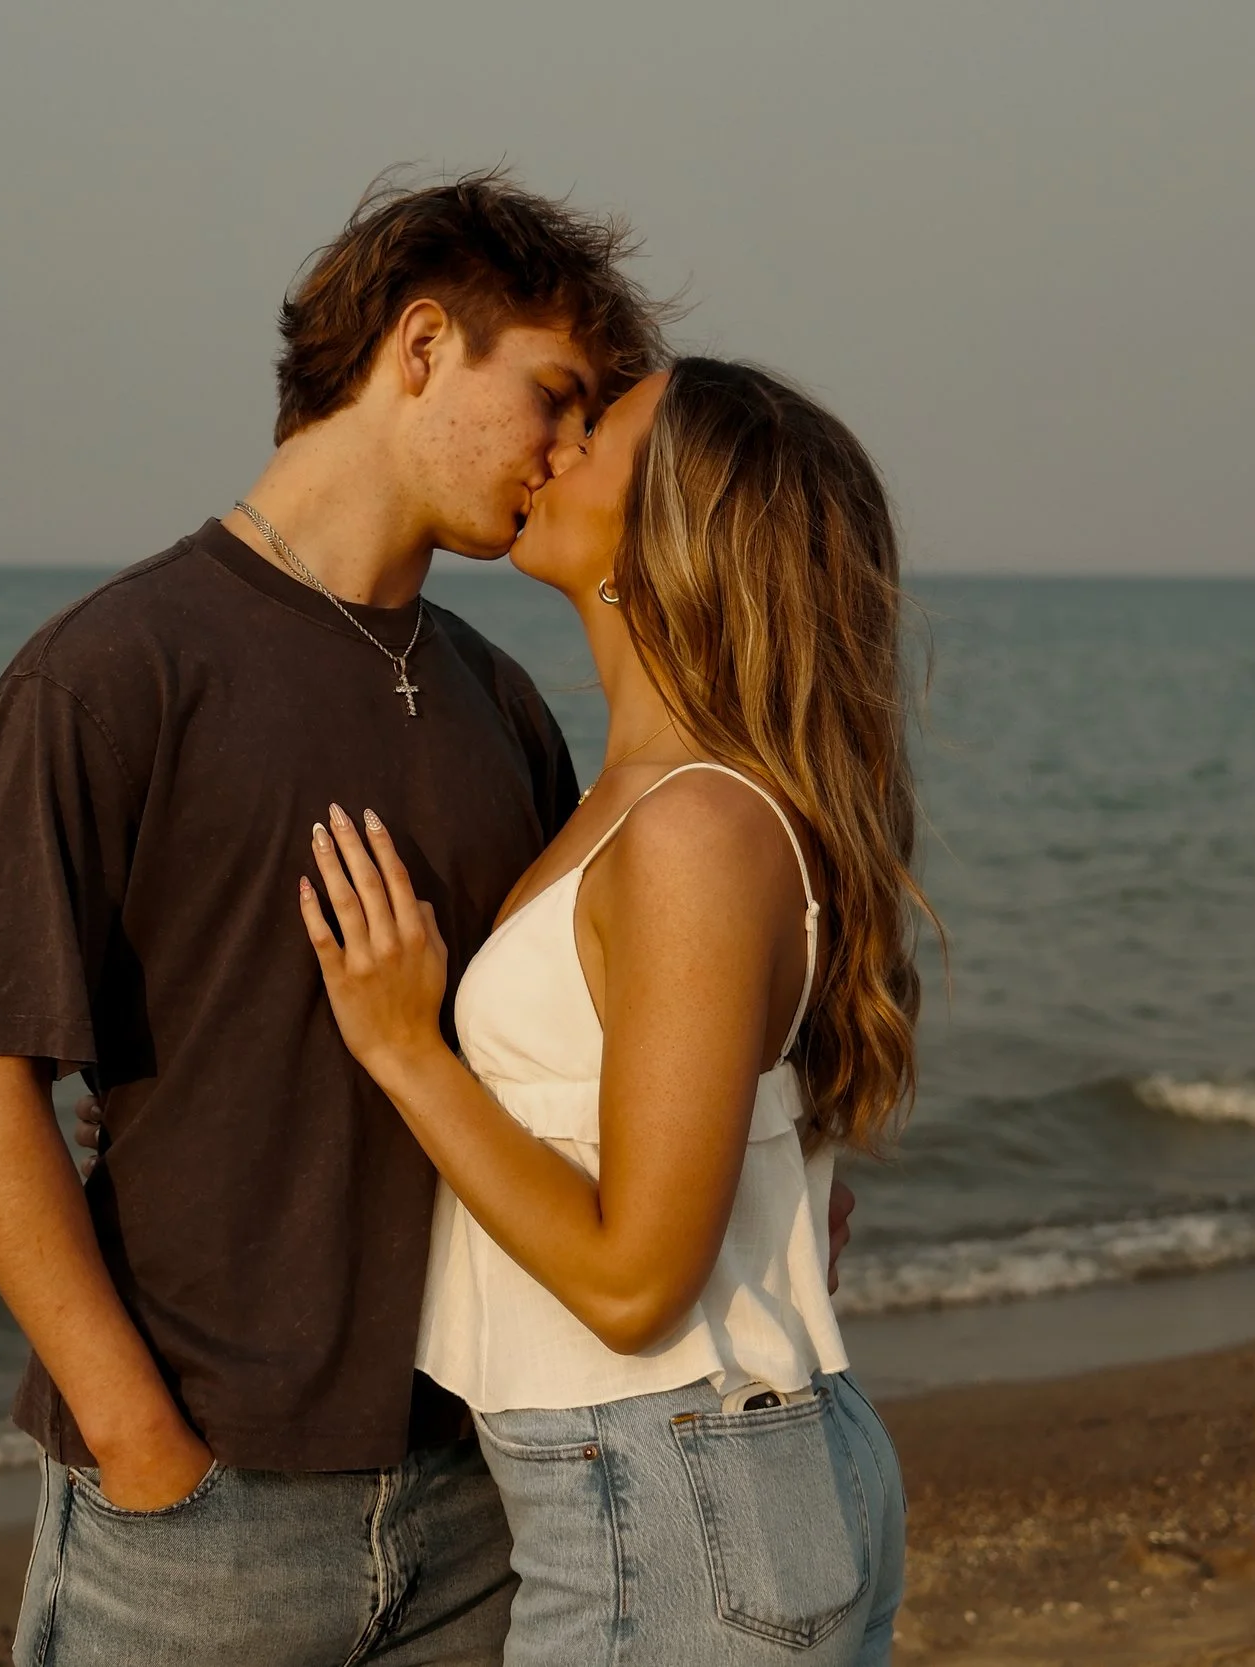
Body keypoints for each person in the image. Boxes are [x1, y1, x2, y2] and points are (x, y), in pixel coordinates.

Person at [0, 172, 851, 1666]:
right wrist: (142, 1444)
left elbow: (627, 1046)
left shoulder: (504, 701)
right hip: (205, 1510)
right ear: (422, 348)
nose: (565, 452)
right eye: (553, 395)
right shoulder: (112, 672)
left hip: (495, 1500)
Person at [299, 356, 923, 1664]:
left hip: (672, 1491)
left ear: (665, 539)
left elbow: (636, 1283)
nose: (552, 447)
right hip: (710, 1475)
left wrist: (409, 1052)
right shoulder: (658, 799)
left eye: (596, 439)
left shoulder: (692, 825)